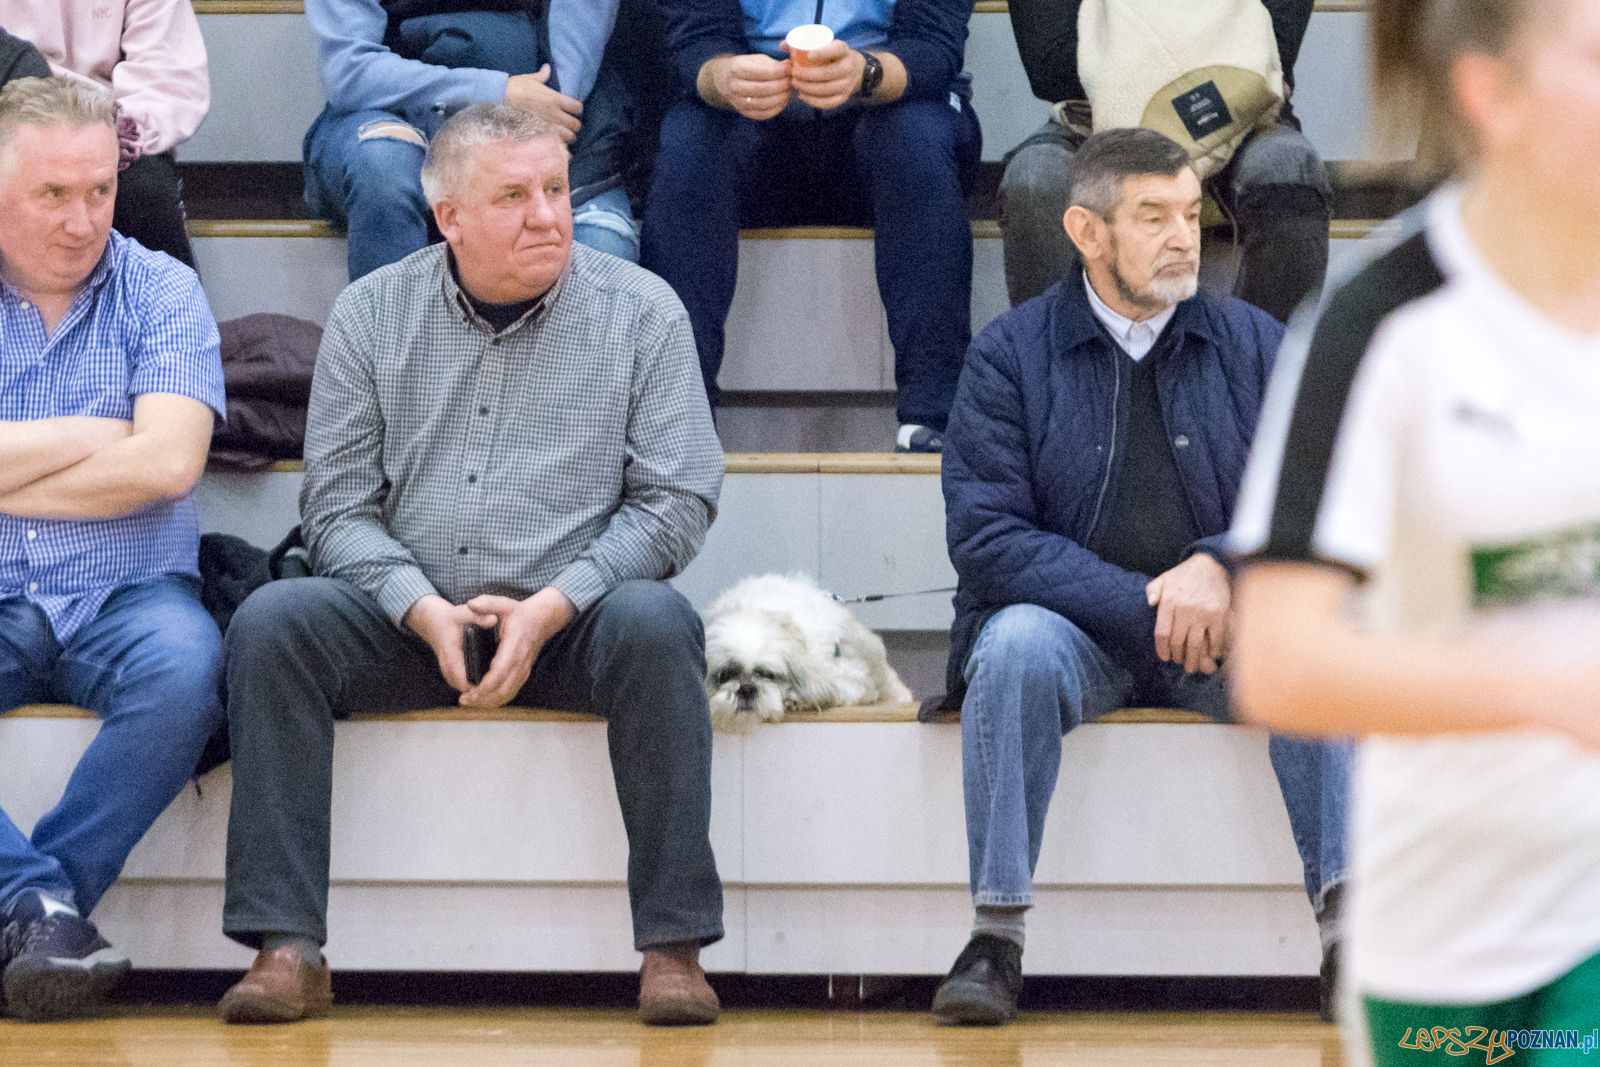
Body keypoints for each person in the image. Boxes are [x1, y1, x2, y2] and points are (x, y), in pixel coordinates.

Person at [219, 103, 726, 1027]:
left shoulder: (644, 311)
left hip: (573, 623)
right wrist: (418, 604)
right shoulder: (371, 314)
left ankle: (673, 946)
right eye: (514, 196)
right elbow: (335, 510)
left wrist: (557, 603)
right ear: (447, 216)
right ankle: (284, 946)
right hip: (411, 621)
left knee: (659, 621)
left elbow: (676, 501)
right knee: (273, 621)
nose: (548, 215)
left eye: (557, 189)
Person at [1230, 0, 1600, 1060]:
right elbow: (1281, 664)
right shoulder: (1383, 322)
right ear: (1493, 94)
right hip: (1446, 950)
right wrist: (1542, 690)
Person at [931, 128, 1350, 1026]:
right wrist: (1148, 602)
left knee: (1316, 646)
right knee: (1012, 645)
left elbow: (1319, 500)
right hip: (1074, 635)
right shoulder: (1009, 354)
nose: (1183, 238)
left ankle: (1351, 936)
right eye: (1153, 216)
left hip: (1223, 634)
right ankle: (995, 937)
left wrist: (1221, 564)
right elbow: (988, 537)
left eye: (1192, 214)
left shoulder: (1255, 342)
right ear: (1086, 231)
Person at [0, 76, 225, 1022]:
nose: (83, 218)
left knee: (187, 669)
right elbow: (136, 450)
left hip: (130, 589)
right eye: (53, 193)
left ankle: (35, 906)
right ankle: (36, 910)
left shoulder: (161, 287)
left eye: (99, 190)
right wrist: (94, 433)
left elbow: (168, 463)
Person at [643, 0, 982, 453]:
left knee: (913, 140)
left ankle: (934, 417)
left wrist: (867, 73)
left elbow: (934, 44)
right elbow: (695, 40)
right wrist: (724, 76)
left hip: (892, 108)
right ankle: (675, 420)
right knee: (691, 145)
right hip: (753, 122)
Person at [997, 0, 1331, 323]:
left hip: (1237, 112)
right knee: (1035, 178)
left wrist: (1125, 43)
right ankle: (1064, 359)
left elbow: (1277, 43)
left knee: (1290, 168)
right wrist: (1220, 43)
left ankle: (1264, 358)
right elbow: (1051, 66)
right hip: (1092, 118)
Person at [303, 0, 639, 281]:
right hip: (397, 112)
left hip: (545, 115)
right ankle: (394, 339)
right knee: (382, 169)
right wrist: (491, 95)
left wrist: (527, 117)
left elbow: (566, 77)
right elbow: (348, 71)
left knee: (604, 249)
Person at [0, 2, 208, 269]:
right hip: (11, 116)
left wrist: (116, 131)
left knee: (144, 193)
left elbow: (169, 79)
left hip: (112, 125)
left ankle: (165, 295)